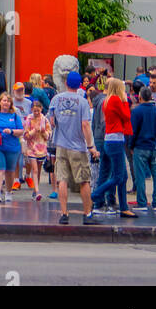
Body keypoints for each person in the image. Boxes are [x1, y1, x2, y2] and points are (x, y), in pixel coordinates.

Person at [48, 71, 98, 224]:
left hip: (61, 145)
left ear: (67, 83)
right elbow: (85, 125)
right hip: (78, 146)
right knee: (84, 180)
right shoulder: (82, 102)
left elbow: (52, 122)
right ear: (79, 85)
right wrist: (91, 146)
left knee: (62, 179)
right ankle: (87, 213)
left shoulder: (56, 99)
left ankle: (64, 214)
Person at [90, 78, 136, 219]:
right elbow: (127, 115)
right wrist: (125, 101)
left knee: (119, 176)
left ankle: (123, 207)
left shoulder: (106, 101)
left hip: (110, 139)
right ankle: (97, 194)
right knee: (119, 176)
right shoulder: (116, 100)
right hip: (116, 140)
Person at [130, 85, 156, 212]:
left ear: (140, 97)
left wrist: (131, 146)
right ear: (151, 97)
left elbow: (133, 131)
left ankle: (142, 203)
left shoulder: (136, 112)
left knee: (140, 176)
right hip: (155, 146)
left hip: (140, 146)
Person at [22, 97, 51, 201]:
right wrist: (34, 130)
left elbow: (48, 135)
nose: (36, 113)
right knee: (34, 169)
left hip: (41, 148)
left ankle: (35, 189)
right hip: (31, 148)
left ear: (41, 109)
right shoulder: (29, 120)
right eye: (34, 111)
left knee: (38, 170)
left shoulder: (44, 119)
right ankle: (38, 191)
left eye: (38, 111)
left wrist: (43, 132)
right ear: (31, 110)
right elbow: (25, 135)